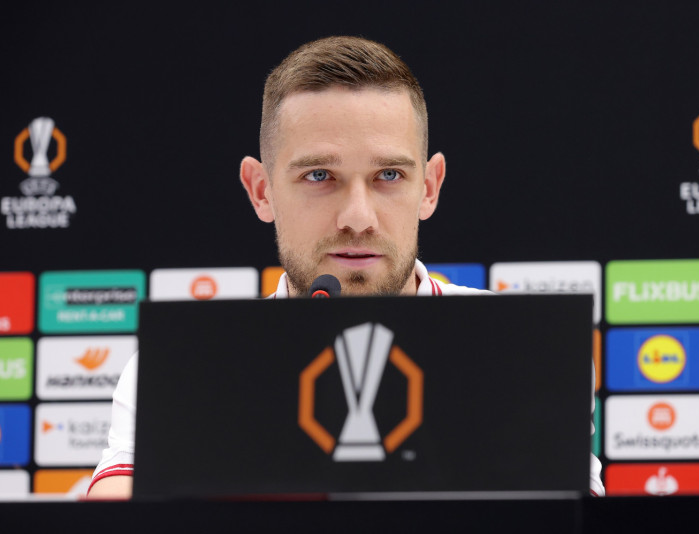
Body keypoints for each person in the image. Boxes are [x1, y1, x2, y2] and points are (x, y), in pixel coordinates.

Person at [87, 36, 604, 498]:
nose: (358, 217)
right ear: (261, 191)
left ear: (429, 187)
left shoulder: (525, 350)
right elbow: (117, 503)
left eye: (388, 175)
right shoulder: (185, 364)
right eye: (319, 175)